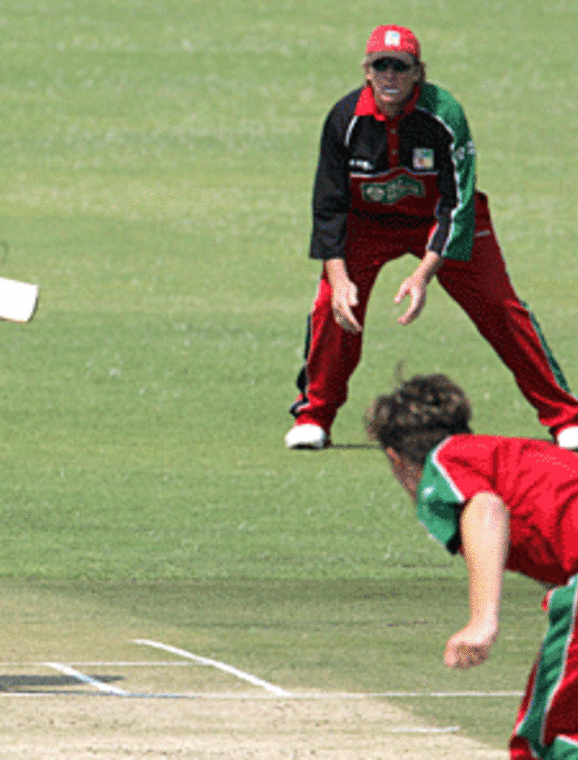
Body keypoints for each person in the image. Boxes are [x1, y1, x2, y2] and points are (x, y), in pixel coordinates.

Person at [285, 25, 578, 451]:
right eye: (380, 66)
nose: (389, 76)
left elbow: (456, 203)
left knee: (500, 306)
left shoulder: (445, 114)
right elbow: (328, 208)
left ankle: (565, 417)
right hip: (369, 223)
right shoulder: (344, 120)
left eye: (399, 67)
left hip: (443, 220)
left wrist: (423, 274)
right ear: (366, 71)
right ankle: (315, 415)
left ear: (418, 72)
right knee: (332, 305)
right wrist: (340, 278)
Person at [366, 373, 578, 758]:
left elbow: (485, 508)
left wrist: (482, 620)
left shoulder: (446, 461)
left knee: (551, 739)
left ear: (396, 459)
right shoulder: (513, 454)